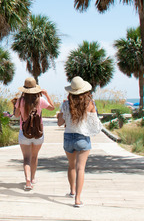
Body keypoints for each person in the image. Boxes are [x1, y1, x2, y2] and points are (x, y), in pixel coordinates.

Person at [56, 76, 101, 208]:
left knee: (71, 166)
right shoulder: (90, 104)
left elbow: (60, 123)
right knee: (80, 168)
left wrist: (60, 115)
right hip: (82, 138)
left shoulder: (65, 104)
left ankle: (72, 191)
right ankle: (77, 199)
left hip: (68, 137)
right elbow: (95, 124)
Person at [13, 76, 54, 190]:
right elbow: (52, 108)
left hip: (24, 133)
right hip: (38, 133)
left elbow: (16, 115)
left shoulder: (21, 100)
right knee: (34, 156)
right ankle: (33, 178)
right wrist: (46, 94)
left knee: (26, 158)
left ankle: (27, 180)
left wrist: (19, 106)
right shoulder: (40, 100)